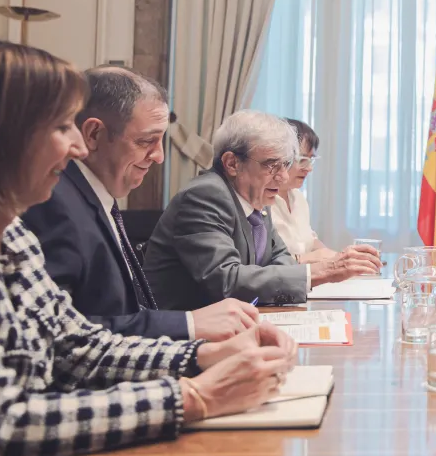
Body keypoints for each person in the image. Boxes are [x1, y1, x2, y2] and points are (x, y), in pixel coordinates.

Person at [0, 39, 296, 456]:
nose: (76, 147)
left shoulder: (14, 238)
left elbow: (78, 347)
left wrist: (204, 355)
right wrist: (193, 396)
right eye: (60, 126)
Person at [23, 66, 259, 341]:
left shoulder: (93, 194)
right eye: (146, 141)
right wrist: (189, 325)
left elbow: (127, 311)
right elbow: (62, 333)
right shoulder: (54, 203)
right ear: (94, 135)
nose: (159, 156)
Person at [143, 110, 380, 310]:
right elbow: (226, 281)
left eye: (286, 164)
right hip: (179, 335)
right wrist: (324, 270)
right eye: (271, 165)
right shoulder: (205, 196)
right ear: (232, 163)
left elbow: (281, 259)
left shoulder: (257, 198)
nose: (283, 176)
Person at [270, 118, 376, 270]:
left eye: (311, 160)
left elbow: (310, 240)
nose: (309, 168)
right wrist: (308, 258)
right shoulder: (260, 202)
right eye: (303, 160)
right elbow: (261, 265)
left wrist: (339, 257)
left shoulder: (298, 197)